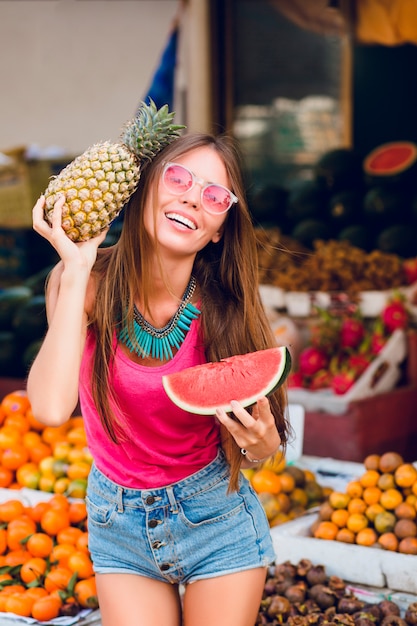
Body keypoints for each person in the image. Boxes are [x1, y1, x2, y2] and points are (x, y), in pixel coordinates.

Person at [28, 130, 290, 626]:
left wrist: (261, 442)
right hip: (116, 521)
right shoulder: (82, 284)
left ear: (217, 229)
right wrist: (79, 265)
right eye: (178, 177)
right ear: (144, 189)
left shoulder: (226, 310)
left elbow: (262, 448)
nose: (193, 196)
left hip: (216, 516)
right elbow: (48, 408)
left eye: (215, 195)